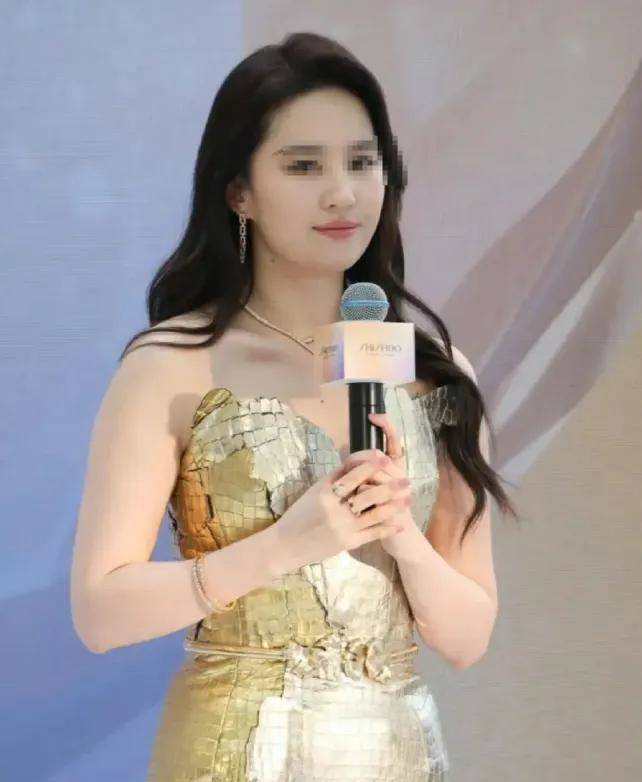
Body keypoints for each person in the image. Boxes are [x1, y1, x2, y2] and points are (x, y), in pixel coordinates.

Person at [70, 32, 517, 782]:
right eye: (304, 166)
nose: (342, 193)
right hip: (235, 751)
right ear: (238, 192)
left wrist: (400, 536)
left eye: (361, 162)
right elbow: (99, 612)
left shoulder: (433, 373)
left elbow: (468, 638)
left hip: (395, 753)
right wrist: (283, 546)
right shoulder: (170, 365)